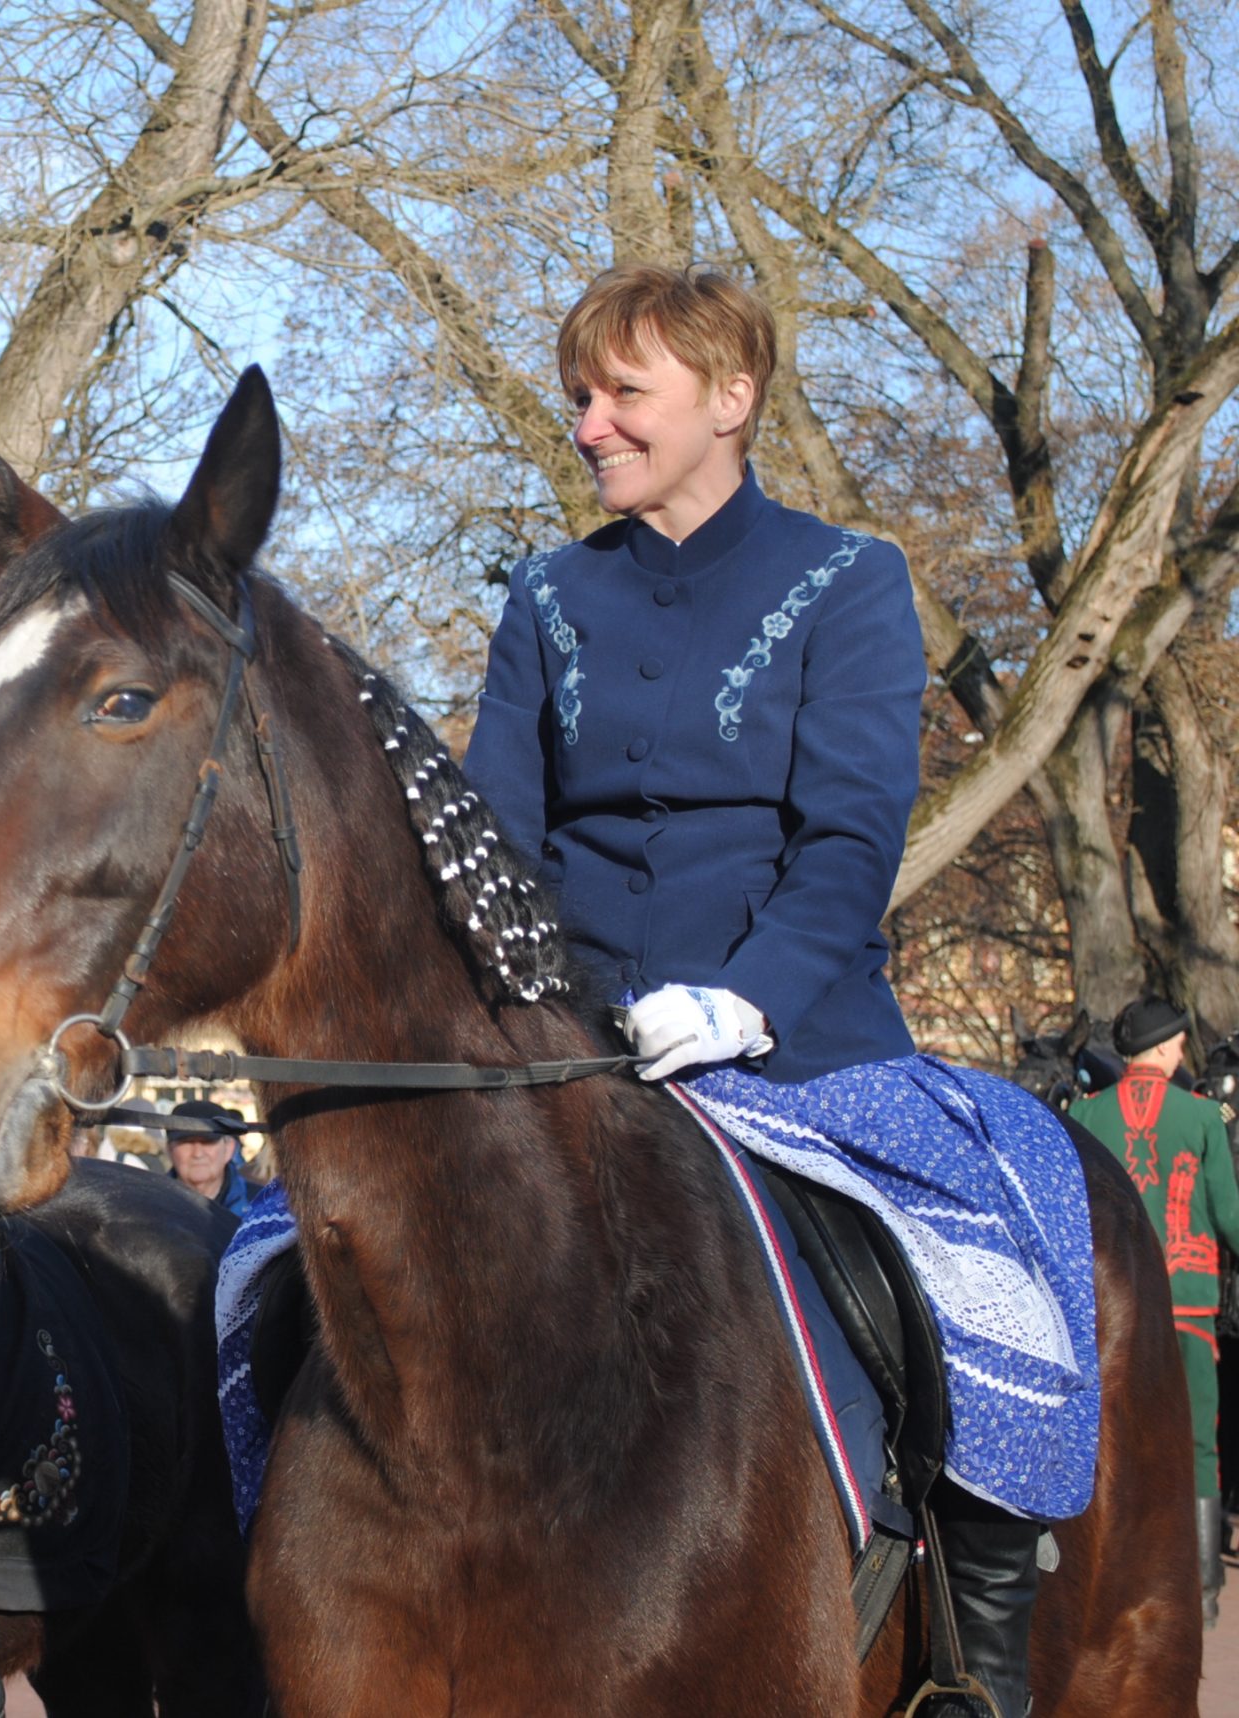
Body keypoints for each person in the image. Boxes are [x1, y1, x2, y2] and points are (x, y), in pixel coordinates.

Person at [468, 264, 1094, 1718]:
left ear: (731, 398)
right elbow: (496, 843)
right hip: (577, 1052)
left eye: (625, 393)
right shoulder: (546, 593)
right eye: (580, 396)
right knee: (287, 1260)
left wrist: (739, 1003)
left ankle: (973, 1653)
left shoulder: (849, 579)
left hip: (797, 1044)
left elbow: (852, 837)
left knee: (989, 1261)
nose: (590, 425)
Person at [1070, 997, 1239, 1623]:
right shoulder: (1199, 1117)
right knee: (1196, 1440)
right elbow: (1228, 1214)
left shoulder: (1087, 1113)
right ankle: (1202, 1586)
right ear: (1170, 1049)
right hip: (1187, 1300)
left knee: (1101, 1438)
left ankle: (1099, 1572)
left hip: (1102, 1302)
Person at [164, 1101, 254, 1216]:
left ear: (229, 1148)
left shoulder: (264, 1206)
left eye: (208, 1142)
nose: (197, 1153)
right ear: (169, 1149)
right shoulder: (147, 1208)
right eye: (186, 1142)